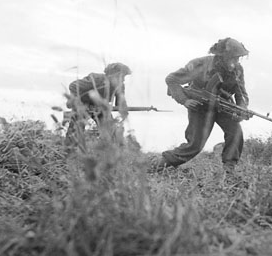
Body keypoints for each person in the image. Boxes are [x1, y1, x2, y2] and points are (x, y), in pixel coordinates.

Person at [153, 37, 250, 173]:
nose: (236, 61)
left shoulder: (238, 70)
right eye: (234, 57)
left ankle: (229, 170)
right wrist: (184, 100)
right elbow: (172, 79)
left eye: (238, 58)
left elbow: (241, 93)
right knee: (195, 145)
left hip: (223, 106)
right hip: (200, 107)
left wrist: (242, 109)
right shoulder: (200, 64)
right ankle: (157, 165)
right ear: (223, 55)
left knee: (236, 134)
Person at [64, 62, 131, 148]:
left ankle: (110, 154)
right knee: (75, 132)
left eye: (124, 77)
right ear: (112, 75)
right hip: (83, 105)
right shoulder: (96, 79)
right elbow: (73, 86)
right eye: (121, 77)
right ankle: (68, 153)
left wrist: (123, 109)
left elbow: (119, 104)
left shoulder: (120, 86)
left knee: (111, 132)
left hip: (100, 107)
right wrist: (76, 101)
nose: (123, 80)